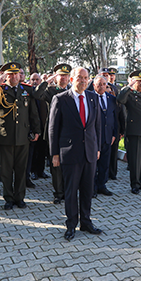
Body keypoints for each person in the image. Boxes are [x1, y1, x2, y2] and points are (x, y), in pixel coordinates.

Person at [48, 67, 103, 241]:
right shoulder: (60, 99)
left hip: (90, 152)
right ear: (72, 79)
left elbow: (97, 126)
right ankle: (71, 224)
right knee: (71, 191)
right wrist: (54, 154)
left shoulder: (93, 97)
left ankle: (86, 222)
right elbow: (53, 129)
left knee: (87, 190)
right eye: (79, 77)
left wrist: (98, 148)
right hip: (70, 153)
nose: (83, 81)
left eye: (86, 78)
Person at [0, 62, 41, 210]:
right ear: (5, 76)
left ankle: (19, 197)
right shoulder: (0, 89)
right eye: (10, 74)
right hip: (5, 135)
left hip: (23, 135)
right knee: (6, 170)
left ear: (20, 75)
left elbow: (33, 113)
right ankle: (8, 198)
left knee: (21, 169)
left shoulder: (27, 90)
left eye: (16, 73)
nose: (14, 76)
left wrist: (36, 130)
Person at [34, 63, 72, 204]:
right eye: (60, 76)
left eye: (66, 75)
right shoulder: (50, 90)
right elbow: (37, 94)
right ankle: (58, 193)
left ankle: (68, 190)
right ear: (56, 77)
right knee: (55, 164)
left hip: (69, 133)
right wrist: (46, 81)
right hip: (55, 132)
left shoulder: (72, 89)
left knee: (68, 163)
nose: (63, 78)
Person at [117, 70, 141, 194]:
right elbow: (120, 100)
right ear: (134, 82)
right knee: (136, 160)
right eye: (138, 81)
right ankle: (135, 184)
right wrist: (129, 86)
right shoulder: (129, 94)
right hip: (135, 132)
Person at [92, 75, 118, 197]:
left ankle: (102, 185)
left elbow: (115, 118)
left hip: (108, 137)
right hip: (93, 137)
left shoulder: (111, 98)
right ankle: (92, 187)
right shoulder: (89, 97)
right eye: (99, 84)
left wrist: (114, 134)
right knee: (93, 165)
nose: (102, 86)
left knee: (104, 164)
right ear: (94, 85)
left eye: (104, 84)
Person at [27, 73, 50, 182]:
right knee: (33, 151)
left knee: (42, 150)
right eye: (33, 80)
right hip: (33, 127)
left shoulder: (44, 92)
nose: (35, 81)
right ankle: (32, 172)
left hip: (44, 126)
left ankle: (41, 171)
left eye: (37, 79)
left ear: (41, 81)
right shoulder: (28, 92)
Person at [107, 67, 123, 180]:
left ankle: (112, 172)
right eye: (109, 74)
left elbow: (121, 111)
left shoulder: (117, 88)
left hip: (115, 124)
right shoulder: (101, 87)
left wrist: (122, 129)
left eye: (113, 75)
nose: (111, 77)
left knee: (114, 151)